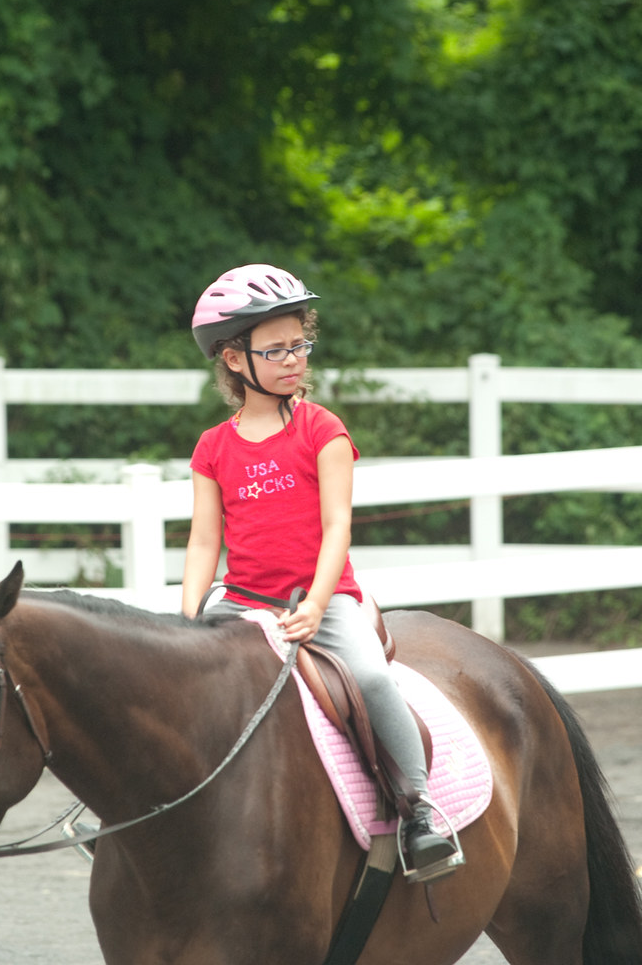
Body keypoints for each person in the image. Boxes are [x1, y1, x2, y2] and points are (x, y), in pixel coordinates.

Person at [182, 263, 458, 879]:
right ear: (233, 359)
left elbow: (338, 528)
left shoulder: (322, 429)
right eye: (275, 350)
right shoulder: (212, 447)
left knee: (373, 679)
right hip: (243, 600)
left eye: (299, 345)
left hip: (322, 599)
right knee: (168, 675)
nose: (294, 360)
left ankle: (418, 812)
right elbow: (205, 541)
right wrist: (188, 614)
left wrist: (317, 604)